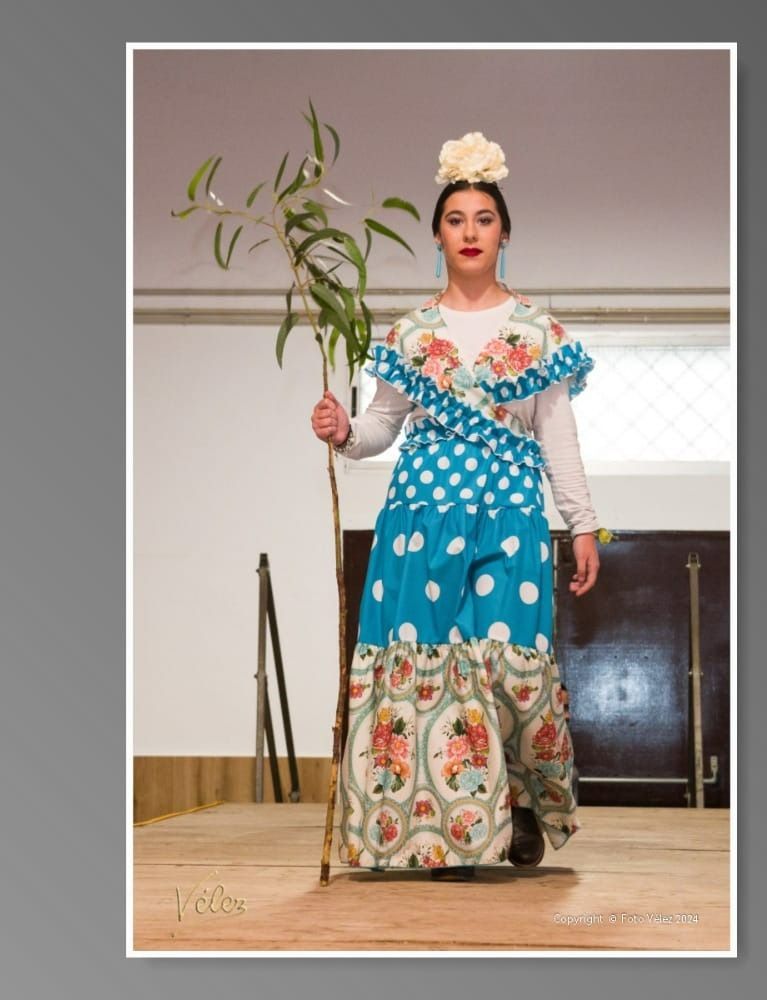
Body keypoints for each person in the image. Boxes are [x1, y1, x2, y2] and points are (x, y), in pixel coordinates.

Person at [310, 132, 600, 882]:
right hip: (419, 525)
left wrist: (583, 523)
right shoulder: (411, 334)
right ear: (437, 235)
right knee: (431, 674)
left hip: (510, 519)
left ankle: (524, 803)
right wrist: (347, 433)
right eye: (455, 220)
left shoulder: (539, 333)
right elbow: (381, 426)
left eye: (484, 219)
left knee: (506, 668)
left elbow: (557, 435)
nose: (470, 231)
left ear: (505, 233)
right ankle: (450, 834)